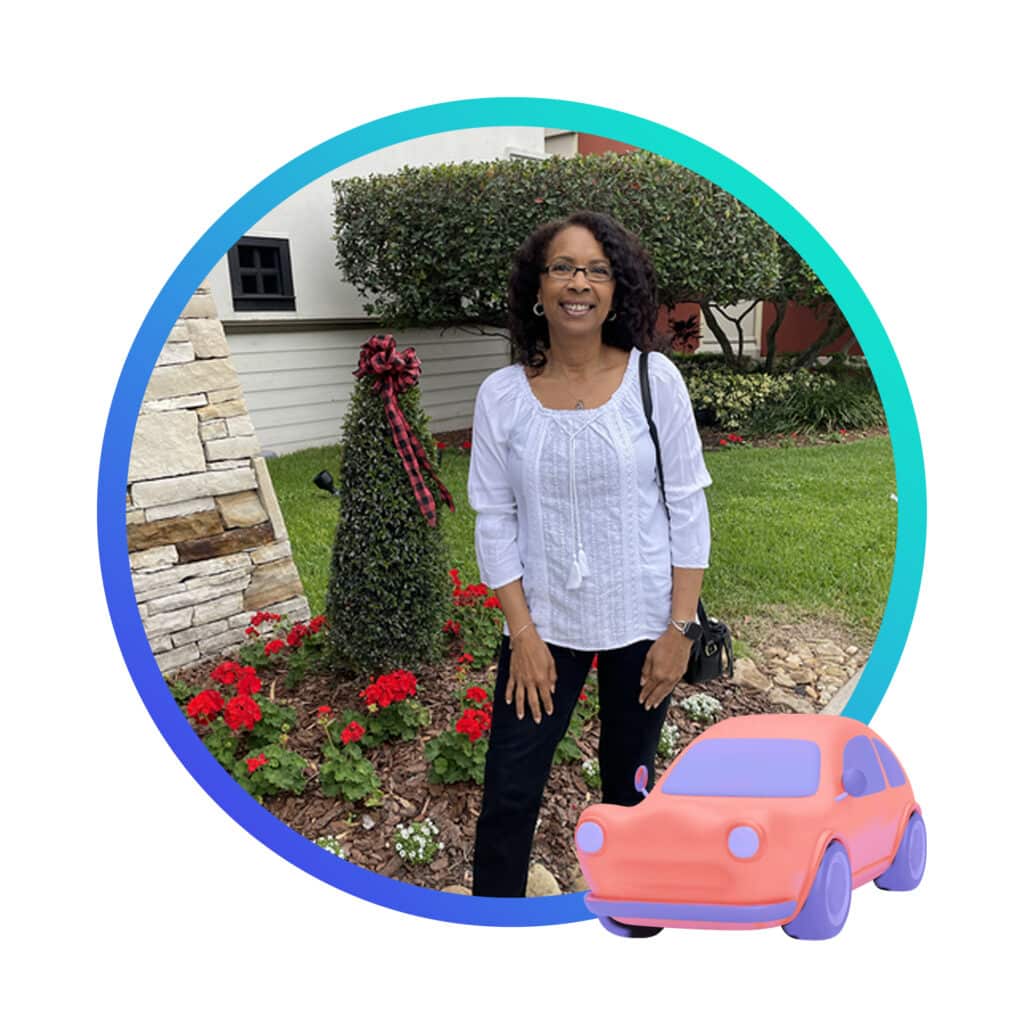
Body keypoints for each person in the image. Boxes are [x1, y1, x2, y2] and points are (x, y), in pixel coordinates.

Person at [467, 210, 712, 897]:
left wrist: (679, 629)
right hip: (544, 629)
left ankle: (632, 920)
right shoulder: (502, 397)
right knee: (509, 796)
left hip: (645, 624)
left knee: (628, 796)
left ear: (616, 289)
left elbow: (688, 506)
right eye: (563, 268)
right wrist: (522, 635)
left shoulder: (654, 381)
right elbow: (494, 517)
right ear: (537, 290)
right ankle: (494, 932)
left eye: (597, 270)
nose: (579, 283)